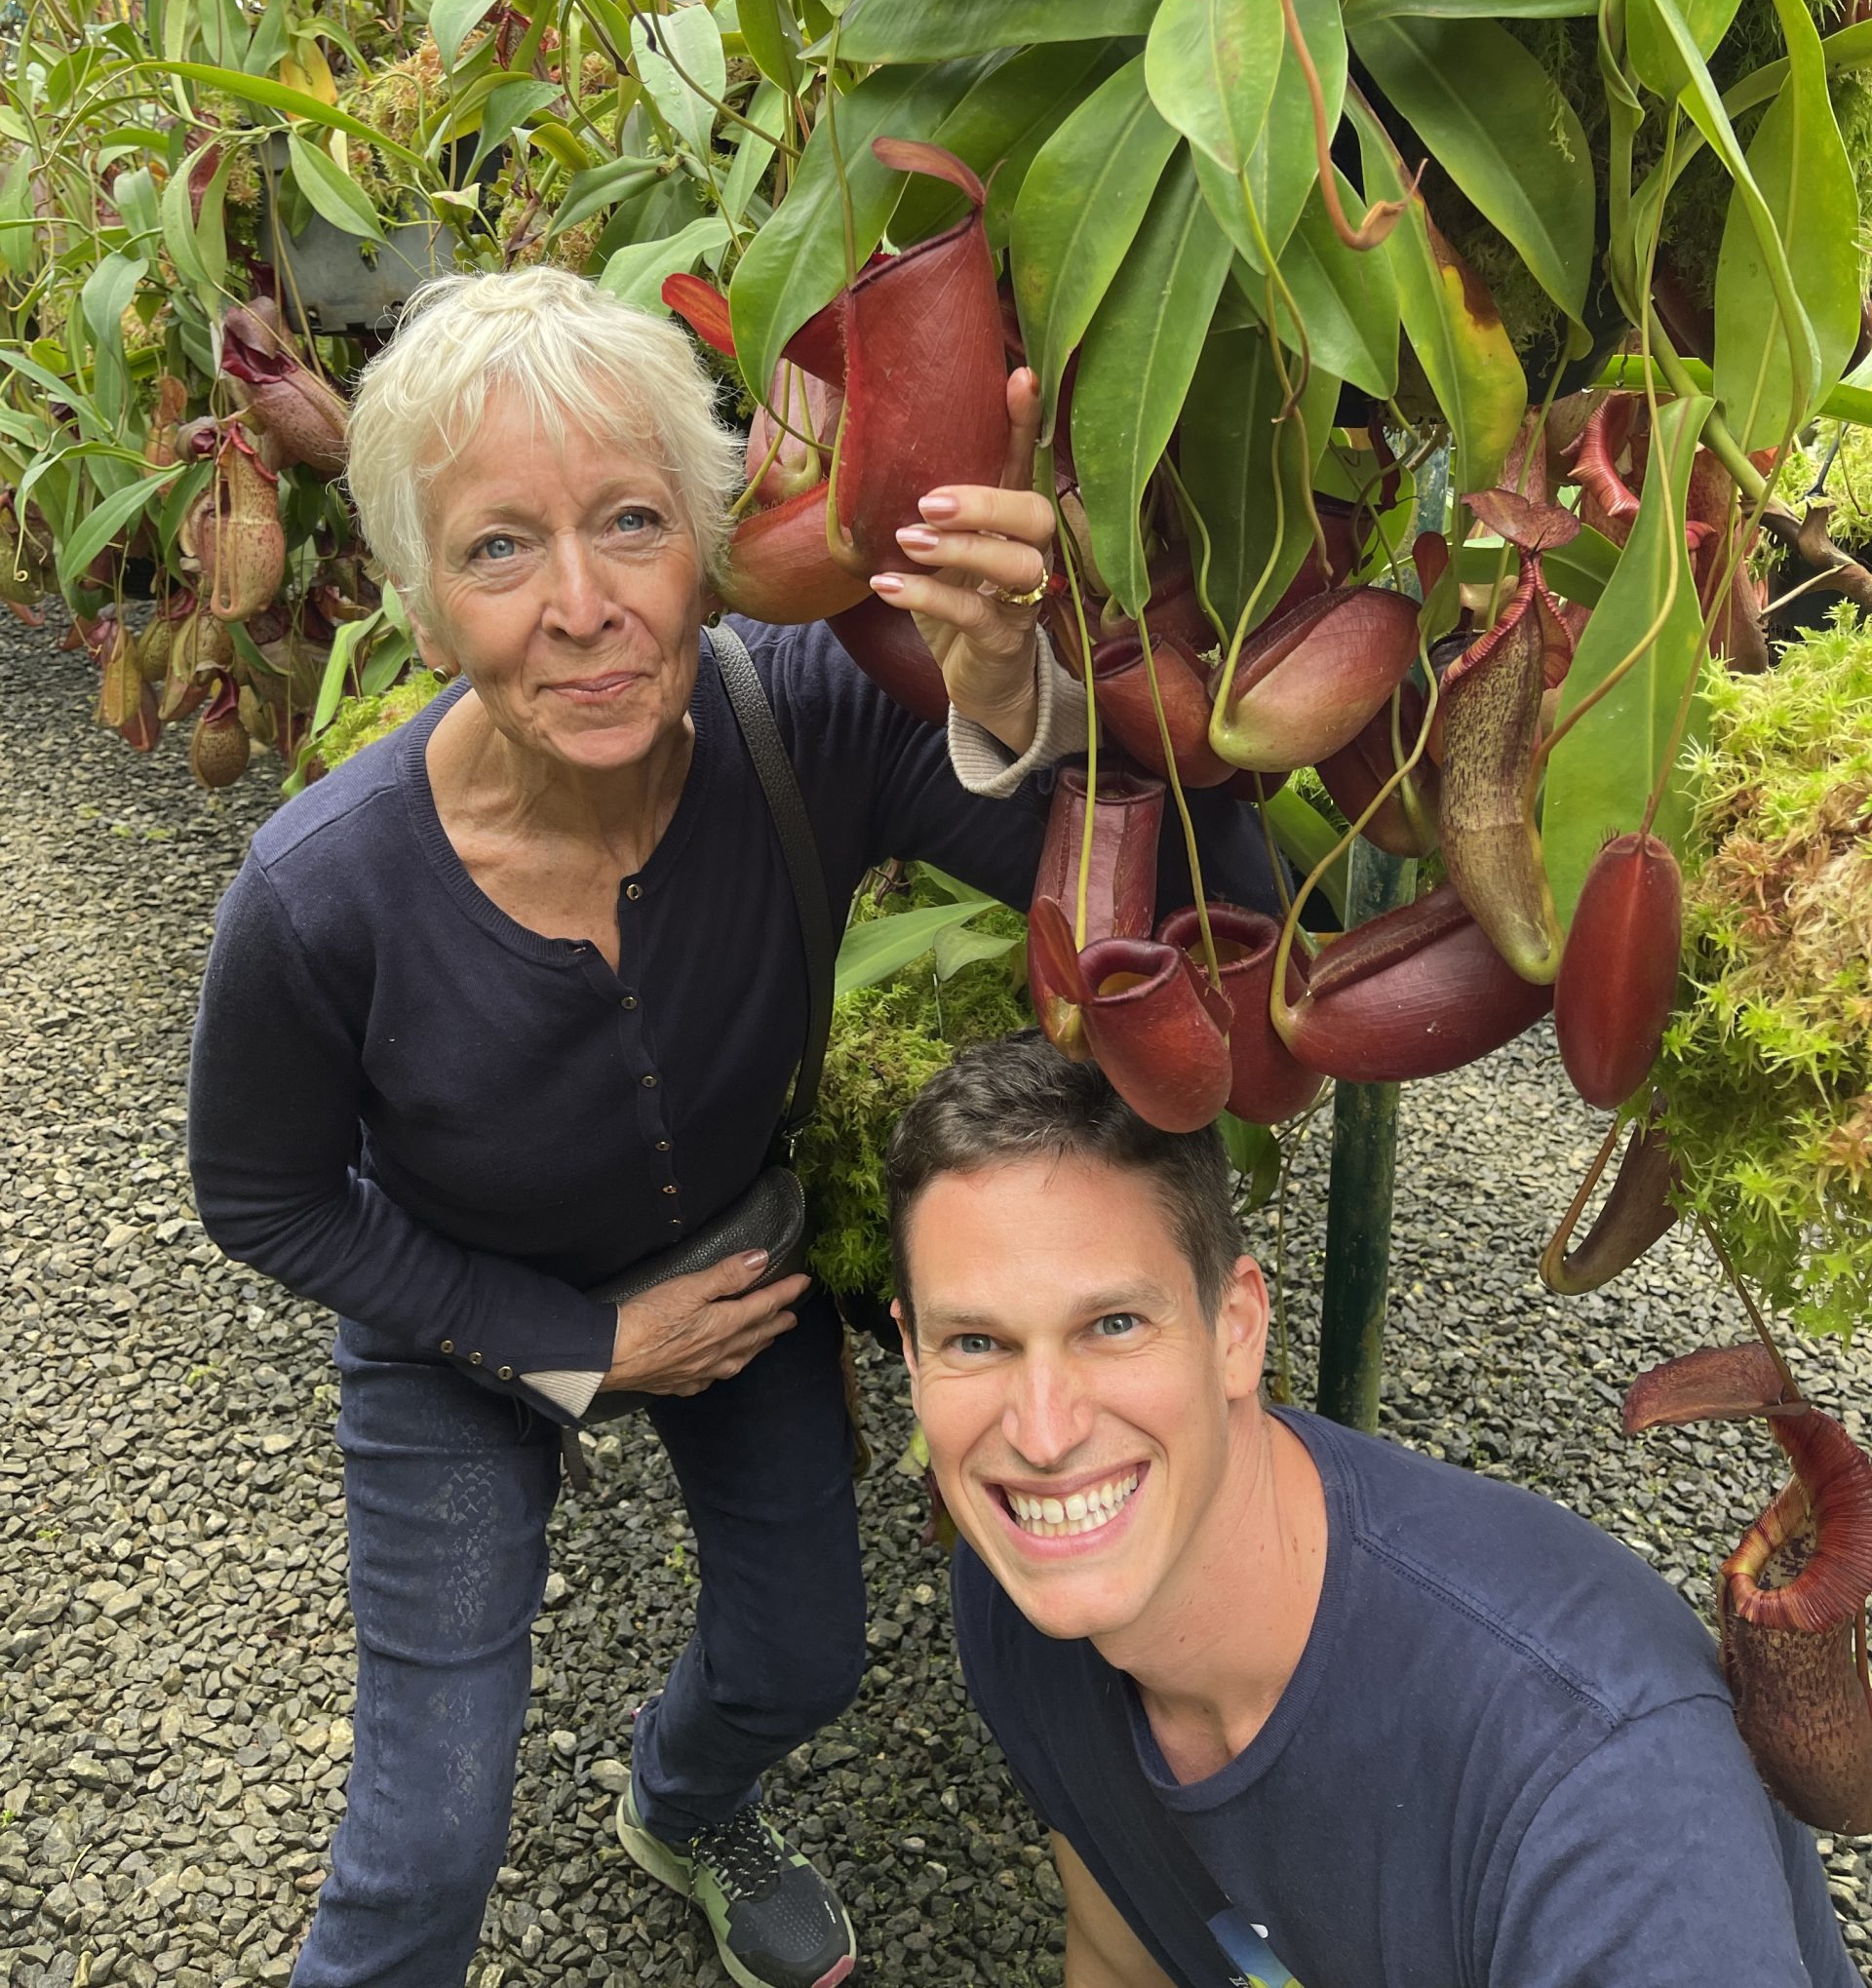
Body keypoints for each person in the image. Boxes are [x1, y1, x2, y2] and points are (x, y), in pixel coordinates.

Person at [187, 268, 1273, 1988]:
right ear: (411, 605)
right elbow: (261, 1200)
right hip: (459, 1324)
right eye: (494, 550)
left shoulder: (805, 718)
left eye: (632, 521)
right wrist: (580, 1344)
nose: (583, 606)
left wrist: (1023, 692)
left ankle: (682, 1804)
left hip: (732, 1276)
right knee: (421, 1850)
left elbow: (1210, 902)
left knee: (802, 1657)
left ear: (715, 540)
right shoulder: (323, 896)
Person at [884, 1034, 1858, 1988]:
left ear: (1237, 1328)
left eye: (1113, 1324)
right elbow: (1121, 1944)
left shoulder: (1598, 1779)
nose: (1044, 1434)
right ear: (912, 1352)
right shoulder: (1019, 1590)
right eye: (976, 1341)